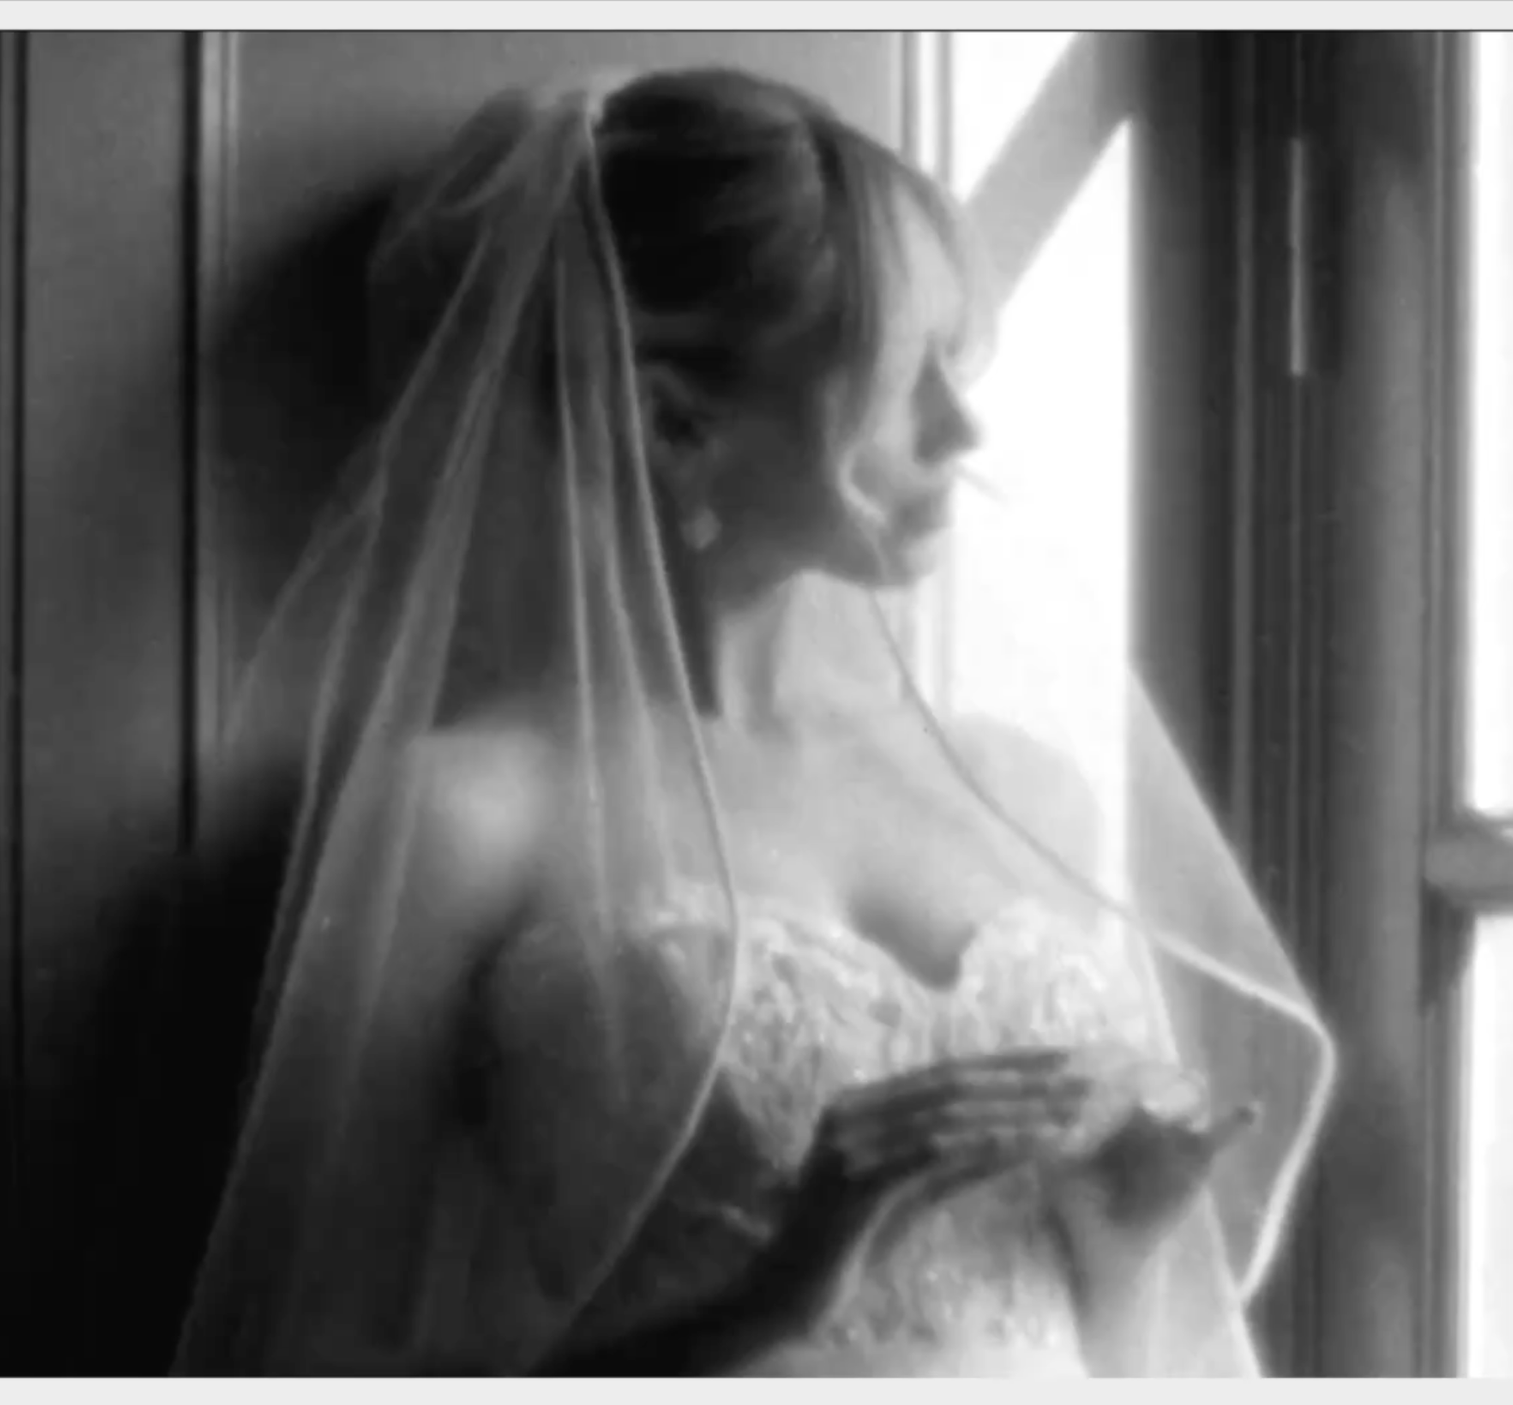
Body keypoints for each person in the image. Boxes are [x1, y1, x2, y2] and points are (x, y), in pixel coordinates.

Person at [171, 64, 1335, 1378]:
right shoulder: (470, 815)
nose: (965, 427)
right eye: (909, 380)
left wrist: (1122, 1242)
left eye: (962, 366)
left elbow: (1142, 1348)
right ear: (673, 420)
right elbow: (318, 1359)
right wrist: (768, 1302)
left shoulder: (1029, 793)